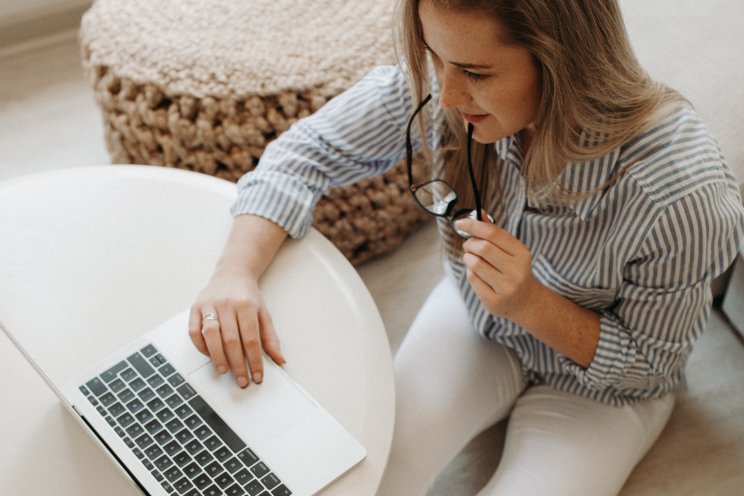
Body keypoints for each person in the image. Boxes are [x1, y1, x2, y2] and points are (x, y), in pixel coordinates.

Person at [188, 0, 744, 494]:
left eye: (477, 72)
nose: (448, 95)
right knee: (367, 469)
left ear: (562, 63)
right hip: (476, 319)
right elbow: (304, 154)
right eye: (435, 57)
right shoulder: (445, 83)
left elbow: (650, 365)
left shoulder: (683, 194)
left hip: (604, 392)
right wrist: (234, 273)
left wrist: (532, 304)